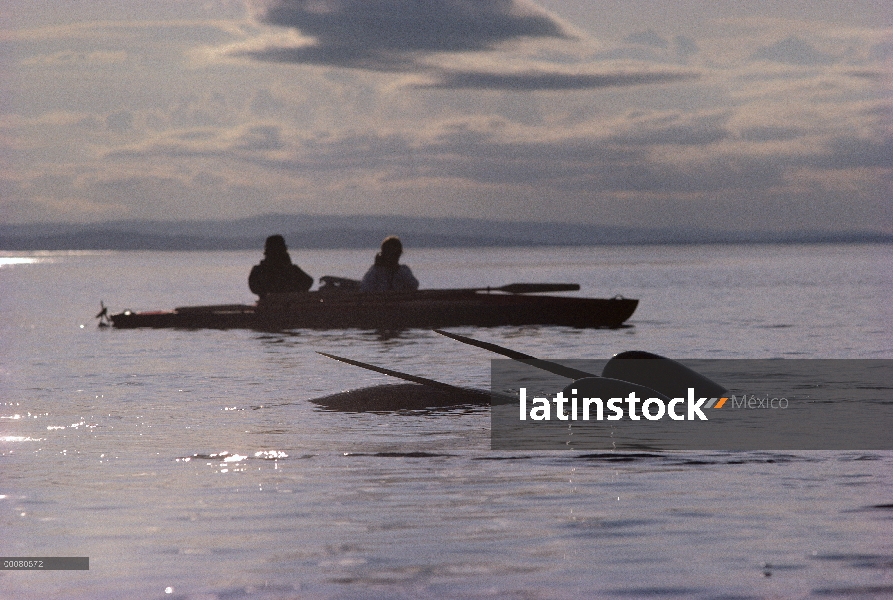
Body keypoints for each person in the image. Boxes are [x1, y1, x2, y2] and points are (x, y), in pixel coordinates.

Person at [249, 235, 313, 298]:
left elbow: (308, 281)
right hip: (278, 303)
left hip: (281, 303)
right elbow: (308, 281)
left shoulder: (259, 270)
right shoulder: (291, 269)